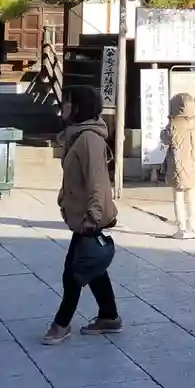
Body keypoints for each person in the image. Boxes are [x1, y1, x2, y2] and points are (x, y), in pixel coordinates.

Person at [44, 85, 120, 344]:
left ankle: (61, 323)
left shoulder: (89, 139)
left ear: (79, 107)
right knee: (93, 268)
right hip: (81, 215)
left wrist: (93, 217)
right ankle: (109, 316)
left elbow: (98, 182)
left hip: (89, 217)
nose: (62, 107)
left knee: (73, 273)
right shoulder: (77, 135)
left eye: (67, 102)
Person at [161, 92, 195, 239]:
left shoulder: (174, 123)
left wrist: (169, 122)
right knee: (192, 197)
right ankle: (192, 228)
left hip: (178, 165)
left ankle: (181, 228)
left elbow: (165, 139)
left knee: (178, 197)